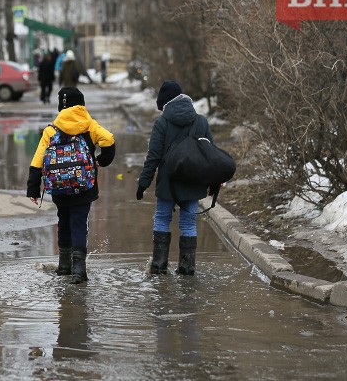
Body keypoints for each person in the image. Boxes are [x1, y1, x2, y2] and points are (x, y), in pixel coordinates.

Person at [27, 87, 116, 284]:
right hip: (85, 187)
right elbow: (108, 139)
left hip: (59, 186)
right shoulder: (90, 125)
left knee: (63, 222)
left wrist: (33, 188)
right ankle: (79, 270)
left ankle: (64, 266)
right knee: (79, 223)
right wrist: (102, 160)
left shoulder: (51, 130)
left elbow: (38, 159)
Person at [136, 80, 214, 276]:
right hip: (193, 181)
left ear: (165, 104)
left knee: (162, 219)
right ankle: (187, 269)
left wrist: (143, 183)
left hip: (168, 183)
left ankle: (159, 267)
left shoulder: (162, 123)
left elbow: (153, 156)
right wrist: (213, 182)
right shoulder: (201, 121)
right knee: (188, 223)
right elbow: (210, 154)